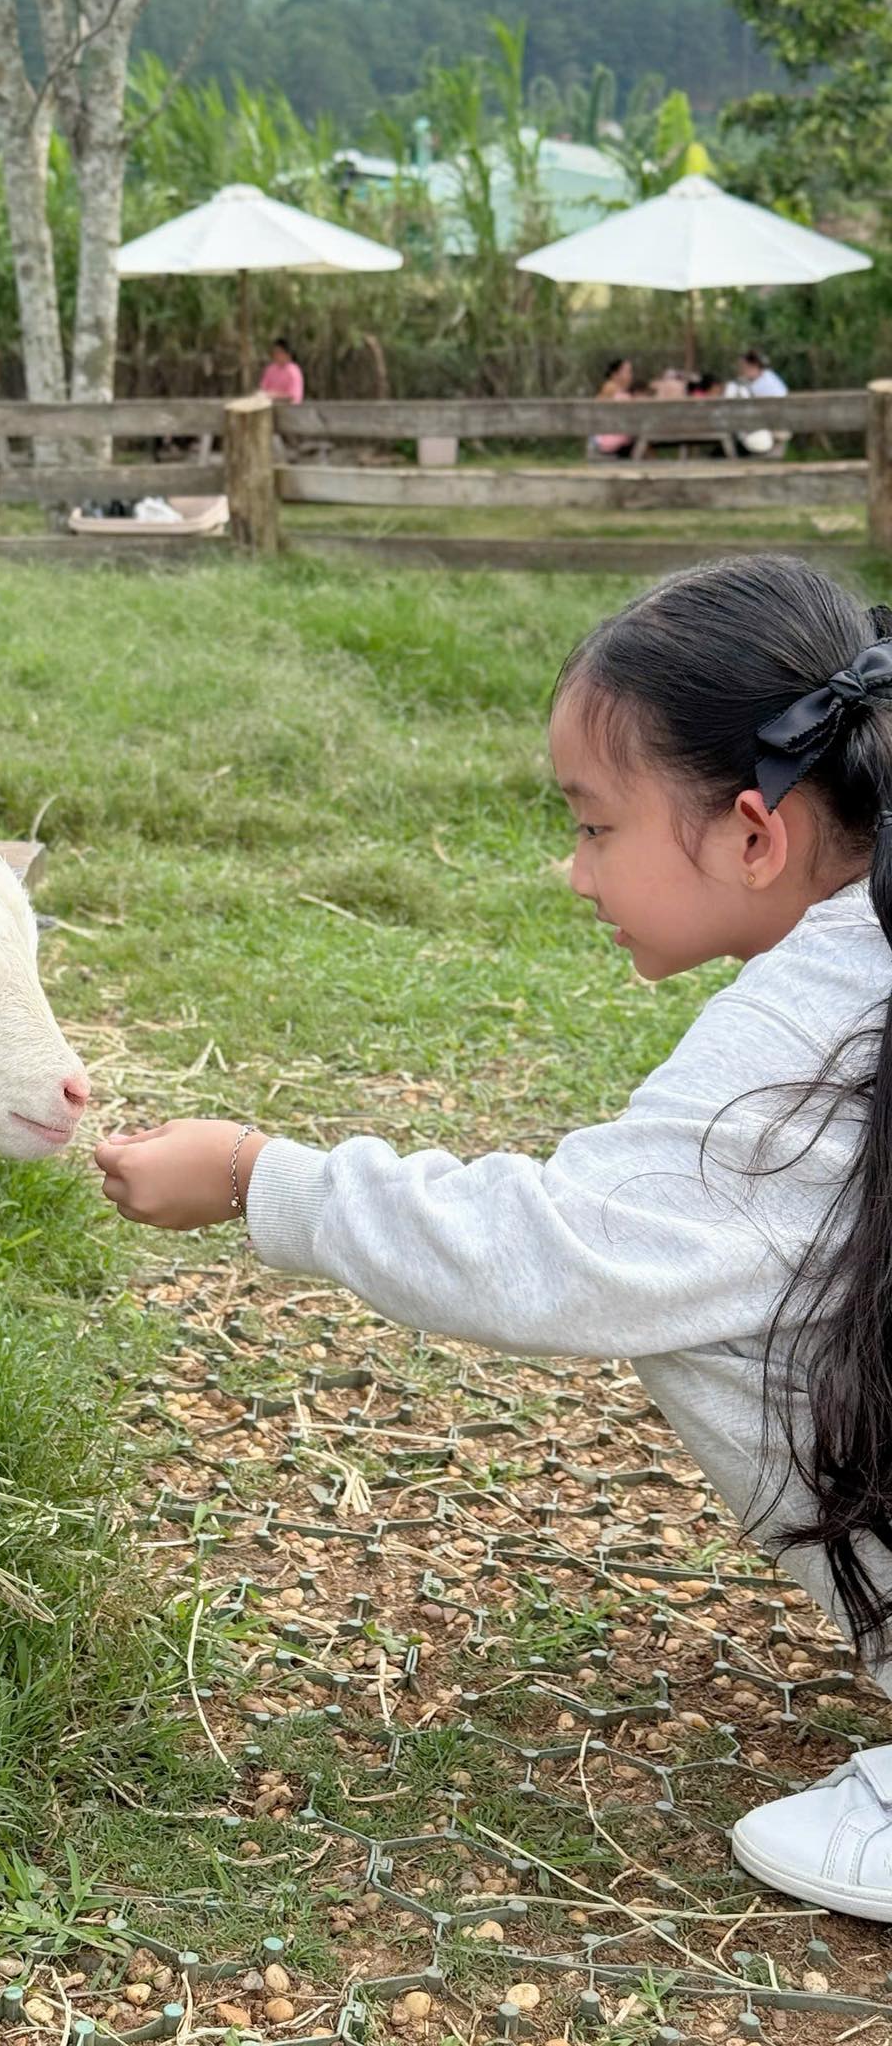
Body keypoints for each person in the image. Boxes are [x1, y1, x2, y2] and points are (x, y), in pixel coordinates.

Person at [97, 556, 892, 1923]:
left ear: (756, 836)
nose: (572, 870)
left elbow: (557, 1250)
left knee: (691, 1306)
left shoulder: (793, 1055)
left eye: (593, 827)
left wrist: (254, 1177)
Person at [726, 348, 789, 455]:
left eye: (744, 367)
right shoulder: (768, 377)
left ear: (753, 366)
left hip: (774, 429)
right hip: (776, 427)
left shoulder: (763, 384)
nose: (742, 370)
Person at [590, 355, 634, 457]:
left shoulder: (618, 391)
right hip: (609, 440)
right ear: (615, 375)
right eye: (628, 372)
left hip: (615, 436)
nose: (631, 375)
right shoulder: (610, 388)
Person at [259, 336, 304, 405]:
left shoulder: (294, 372)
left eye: (278, 352)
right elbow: (263, 389)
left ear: (288, 354)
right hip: (269, 407)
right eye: (274, 352)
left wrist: (274, 396)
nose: (275, 355)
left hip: (289, 410)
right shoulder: (270, 369)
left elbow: (293, 397)